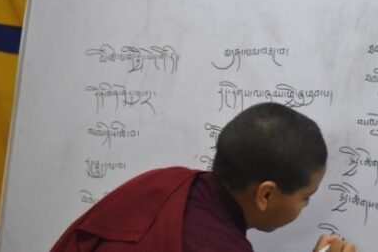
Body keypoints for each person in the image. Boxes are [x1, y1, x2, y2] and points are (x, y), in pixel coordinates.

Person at [49, 103, 357, 252]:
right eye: (306, 196)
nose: (305, 206)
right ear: (265, 195)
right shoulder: (218, 247)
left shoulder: (164, 183)